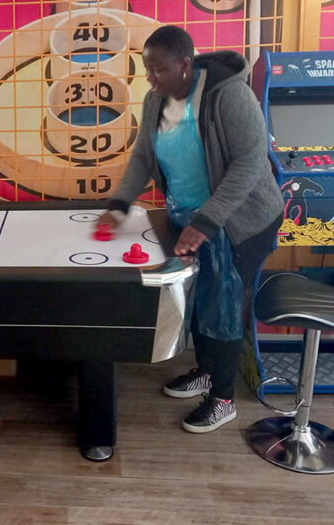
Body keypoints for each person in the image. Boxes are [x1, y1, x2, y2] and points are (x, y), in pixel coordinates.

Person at [96, 25, 284, 433]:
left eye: (158, 70)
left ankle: (223, 398)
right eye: (147, 69)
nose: (151, 78)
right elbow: (143, 159)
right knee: (199, 299)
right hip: (189, 217)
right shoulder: (154, 100)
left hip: (239, 221)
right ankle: (206, 371)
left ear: (184, 64)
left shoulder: (229, 95)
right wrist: (119, 205)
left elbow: (251, 163)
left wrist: (206, 222)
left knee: (223, 304)